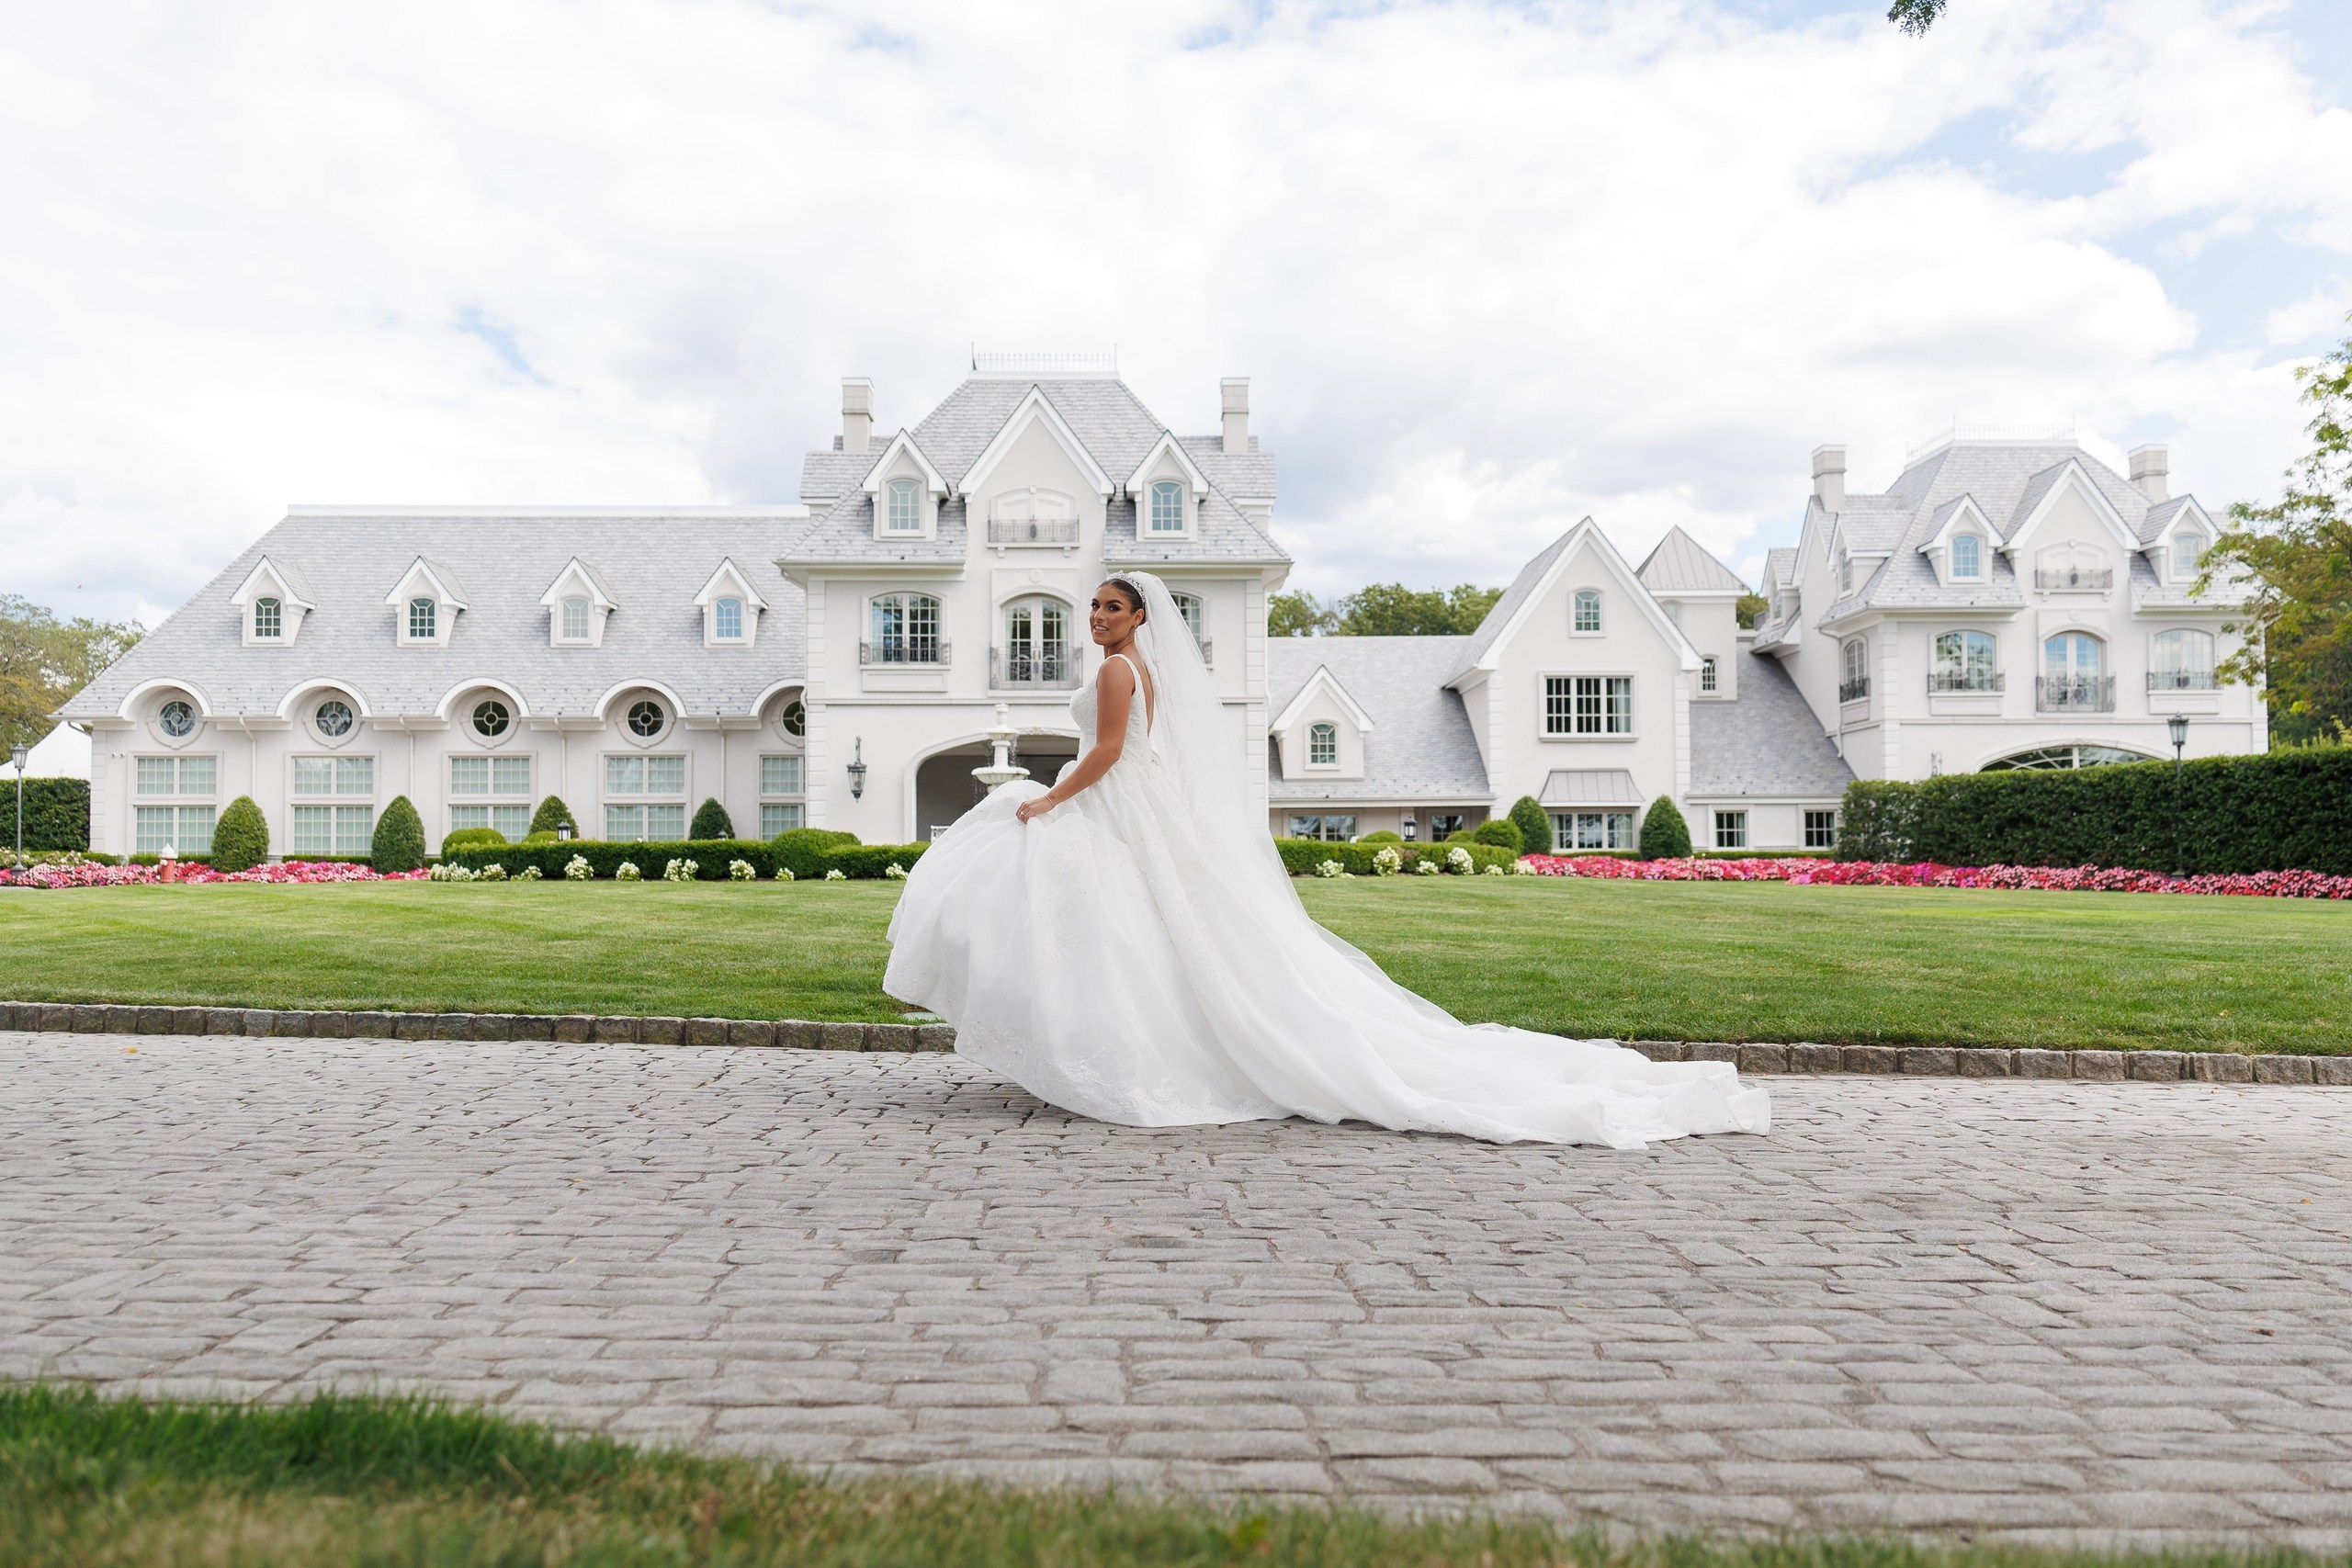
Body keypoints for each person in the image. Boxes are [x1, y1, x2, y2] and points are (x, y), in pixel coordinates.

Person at [885, 570, 1769, 1148]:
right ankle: (1110, 1038)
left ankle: (1125, 1046)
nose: (1099, 617)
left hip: (1111, 800)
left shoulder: (1119, 672)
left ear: (1141, 617)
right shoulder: (1137, 668)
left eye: (1113, 608)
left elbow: (1111, 753)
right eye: (1095, 608)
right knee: (1142, 932)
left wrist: (1046, 797)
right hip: (1135, 806)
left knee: (1096, 912)